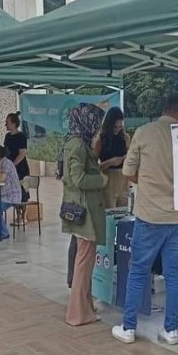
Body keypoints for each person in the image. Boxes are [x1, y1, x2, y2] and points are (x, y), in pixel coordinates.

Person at [112, 94, 178, 345]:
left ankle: (128, 327)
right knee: (173, 274)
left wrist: (145, 183)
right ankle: (171, 330)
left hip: (148, 216)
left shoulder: (143, 133)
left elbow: (127, 171)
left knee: (138, 271)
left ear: (164, 109)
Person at [61, 104, 108, 326]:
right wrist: (101, 180)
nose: (98, 127)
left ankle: (85, 307)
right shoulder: (78, 145)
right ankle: (78, 313)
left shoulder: (74, 142)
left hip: (79, 208)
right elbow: (78, 178)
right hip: (85, 210)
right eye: (96, 123)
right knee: (83, 262)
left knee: (85, 261)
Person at [94, 107, 130, 208]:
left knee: (123, 213)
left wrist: (125, 158)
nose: (117, 129)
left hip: (124, 180)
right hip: (108, 180)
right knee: (109, 213)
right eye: (114, 127)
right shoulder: (100, 140)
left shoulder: (125, 138)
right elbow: (93, 167)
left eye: (120, 126)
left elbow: (130, 158)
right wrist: (110, 162)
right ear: (108, 125)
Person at [4, 112, 30, 201]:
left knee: (21, 193)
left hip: (20, 168)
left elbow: (22, 153)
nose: (5, 125)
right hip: (10, 168)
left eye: (7, 122)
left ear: (13, 124)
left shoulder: (21, 137)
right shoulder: (7, 136)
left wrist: (12, 165)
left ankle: (22, 208)